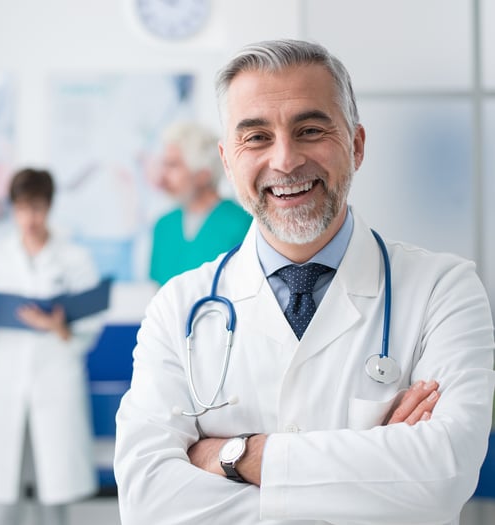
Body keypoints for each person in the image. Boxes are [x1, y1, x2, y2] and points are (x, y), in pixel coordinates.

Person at [114, 39, 495, 524]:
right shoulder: (178, 307)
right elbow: (149, 501)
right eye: (256, 138)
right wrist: (375, 468)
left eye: (311, 129)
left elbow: (442, 477)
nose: (286, 160)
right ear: (227, 161)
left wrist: (232, 456)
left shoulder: (445, 290)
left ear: (356, 145)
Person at [0, 168, 102, 525]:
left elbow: (90, 330)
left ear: (50, 206)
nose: (30, 218)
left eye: (38, 208)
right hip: (4, 385)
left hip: (55, 383)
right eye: (23, 209)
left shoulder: (75, 259)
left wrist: (59, 327)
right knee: (2, 498)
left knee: (54, 496)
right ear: (12, 208)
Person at [149, 120, 251, 285]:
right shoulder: (164, 226)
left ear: (204, 173)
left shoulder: (242, 224)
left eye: (173, 165)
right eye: (164, 164)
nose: (163, 175)